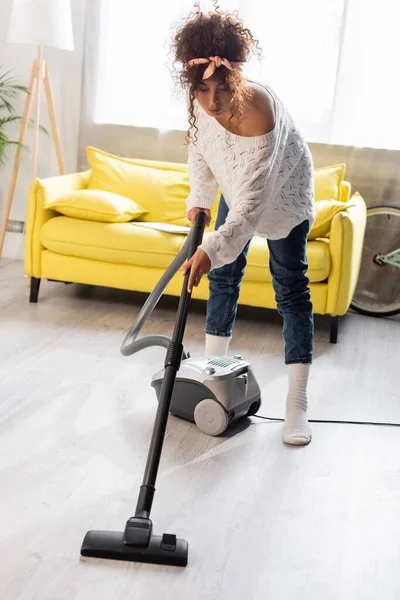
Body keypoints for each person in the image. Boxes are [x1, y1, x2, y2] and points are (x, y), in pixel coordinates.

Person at [172, 6, 315, 446]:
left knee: (290, 287)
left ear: (236, 78)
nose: (211, 103)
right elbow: (201, 151)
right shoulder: (202, 108)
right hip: (239, 191)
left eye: (220, 89)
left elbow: (251, 208)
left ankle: (296, 404)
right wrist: (199, 202)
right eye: (201, 90)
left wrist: (211, 248)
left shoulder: (260, 114)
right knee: (223, 280)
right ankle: (211, 379)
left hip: (282, 198)